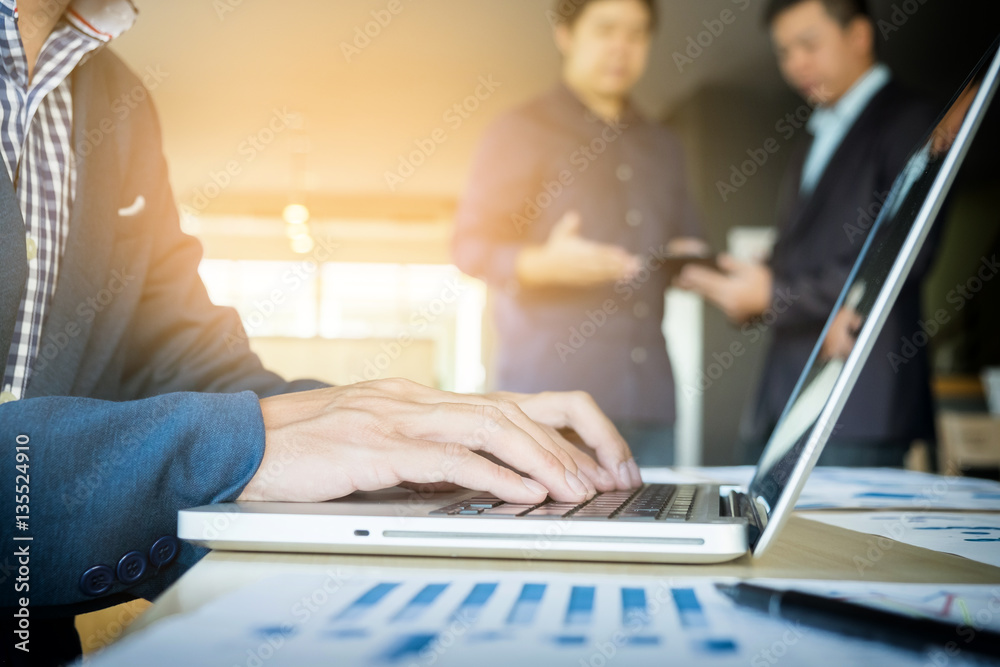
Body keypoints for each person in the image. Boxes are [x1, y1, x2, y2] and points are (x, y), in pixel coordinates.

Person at [0, 1, 641, 664]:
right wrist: (231, 450)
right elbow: (231, 431)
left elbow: (194, 370)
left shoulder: (117, 98)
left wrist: (418, 427)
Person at [677, 0, 939, 467]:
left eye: (808, 44)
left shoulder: (907, 119)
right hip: (786, 397)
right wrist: (751, 281)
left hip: (855, 400)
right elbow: (807, 255)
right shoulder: (813, 136)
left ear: (858, 36)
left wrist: (774, 291)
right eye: (784, 52)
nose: (795, 63)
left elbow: (905, 252)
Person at [452, 0, 706, 467]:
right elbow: (468, 246)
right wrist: (539, 264)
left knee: (649, 536)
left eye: (636, 34)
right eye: (606, 29)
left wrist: (693, 263)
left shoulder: (664, 145)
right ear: (566, 35)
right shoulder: (519, 130)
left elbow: (682, 243)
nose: (621, 47)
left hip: (649, 400)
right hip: (548, 405)